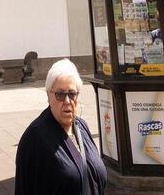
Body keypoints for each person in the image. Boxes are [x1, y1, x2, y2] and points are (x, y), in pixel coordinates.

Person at [14, 59, 105, 194]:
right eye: (60, 94)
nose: (67, 101)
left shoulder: (81, 127)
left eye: (72, 94)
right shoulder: (35, 138)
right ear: (48, 96)